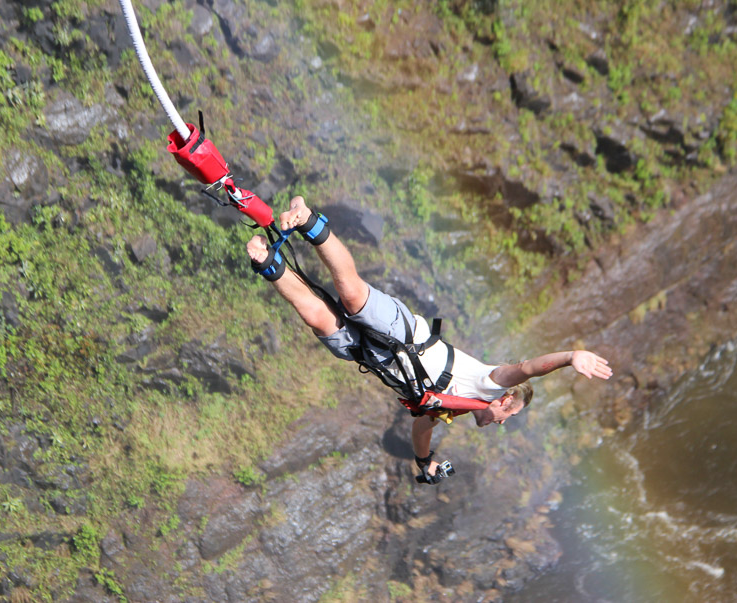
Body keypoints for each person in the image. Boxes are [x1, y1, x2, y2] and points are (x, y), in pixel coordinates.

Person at [247, 197, 613, 483]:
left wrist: (425, 462)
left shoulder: (453, 408)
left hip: (375, 358)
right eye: (508, 415)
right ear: (505, 400)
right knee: (352, 294)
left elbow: (421, 429)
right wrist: (571, 357)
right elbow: (528, 368)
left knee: (315, 315)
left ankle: (267, 261)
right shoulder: (491, 383)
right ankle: (306, 218)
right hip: (403, 334)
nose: (502, 422)